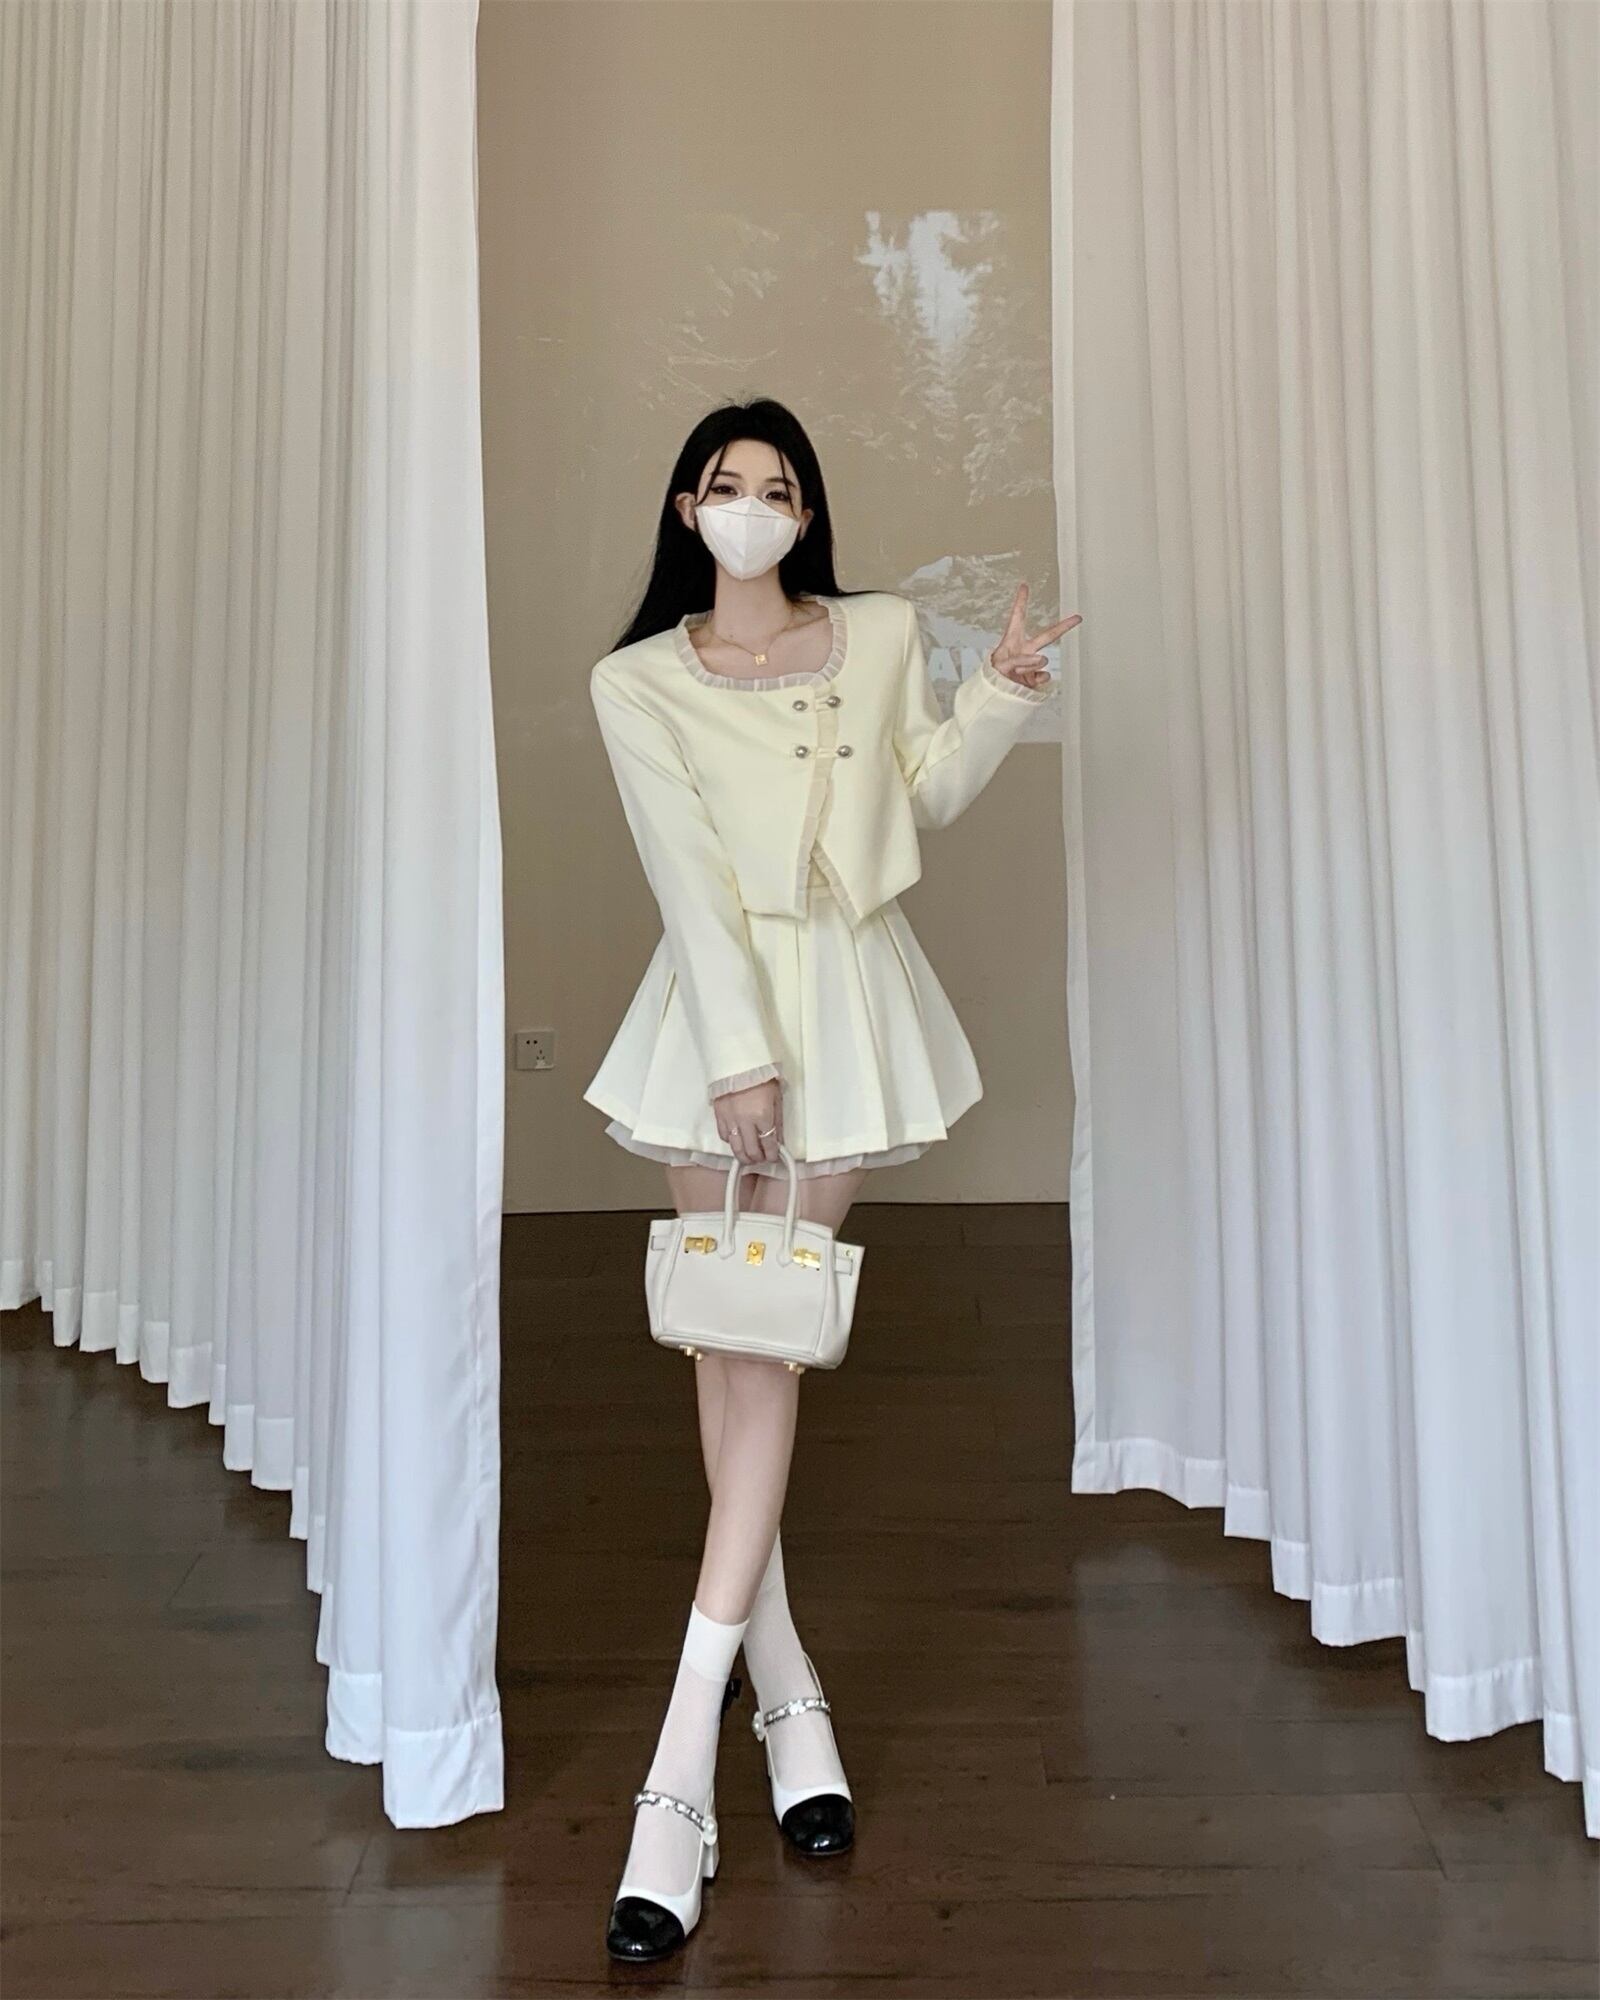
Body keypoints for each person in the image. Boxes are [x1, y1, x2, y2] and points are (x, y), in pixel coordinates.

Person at [583, 396, 1080, 1963]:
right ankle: (787, 1695)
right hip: (713, 1020)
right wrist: (737, 1060)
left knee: (767, 1348)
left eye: (778, 485)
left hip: (849, 1007)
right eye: (725, 483)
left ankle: (676, 1774)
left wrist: (998, 692)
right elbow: (684, 876)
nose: (751, 505)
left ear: (806, 514)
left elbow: (913, 794)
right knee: (729, 1345)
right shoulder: (636, 681)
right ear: (687, 507)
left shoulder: (874, 637)